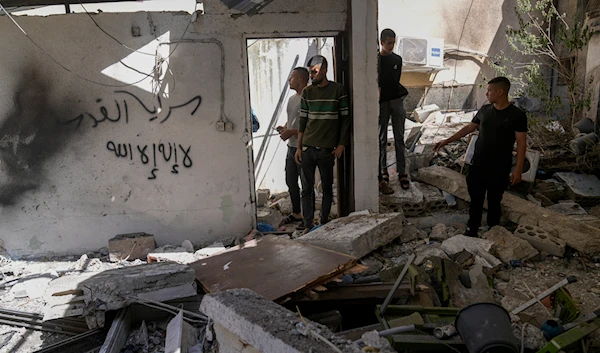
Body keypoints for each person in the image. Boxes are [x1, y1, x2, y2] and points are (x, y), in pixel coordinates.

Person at [434, 77, 527, 237]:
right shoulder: (485, 110)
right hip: (478, 164)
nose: (487, 93)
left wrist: (518, 170)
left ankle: (494, 230)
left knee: (494, 200)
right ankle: (472, 229)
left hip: (500, 166)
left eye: (490, 90)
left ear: (500, 91)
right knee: (475, 200)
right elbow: (468, 128)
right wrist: (447, 140)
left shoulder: (517, 115)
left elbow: (521, 143)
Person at [295, 55, 350, 232]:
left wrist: (341, 144)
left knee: (327, 188)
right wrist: (299, 147)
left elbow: (345, 119)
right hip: (308, 148)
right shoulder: (308, 93)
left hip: (327, 150)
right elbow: (302, 120)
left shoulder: (338, 90)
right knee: (307, 189)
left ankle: (324, 222)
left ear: (325, 71)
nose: (311, 75)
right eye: (310, 72)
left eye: (315, 72)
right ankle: (308, 224)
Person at [378, 28, 410, 195]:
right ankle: (383, 170)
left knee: (399, 137)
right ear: (382, 42)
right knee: (381, 138)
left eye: (393, 43)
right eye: (389, 43)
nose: (391, 46)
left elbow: (395, 80)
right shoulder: (376, 60)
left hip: (396, 100)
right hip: (381, 102)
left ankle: (402, 171)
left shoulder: (397, 59)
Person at [277, 67, 309, 227]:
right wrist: (285, 128)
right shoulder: (292, 99)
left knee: (305, 184)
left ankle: (307, 218)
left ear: (301, 80)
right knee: (290, 181)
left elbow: (311, 126)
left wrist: (292, 132)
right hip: (291, 147)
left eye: (292, 77)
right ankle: (297, 212)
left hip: (303, 148)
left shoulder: (308, 98)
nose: (290, 80)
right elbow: (292, 120)